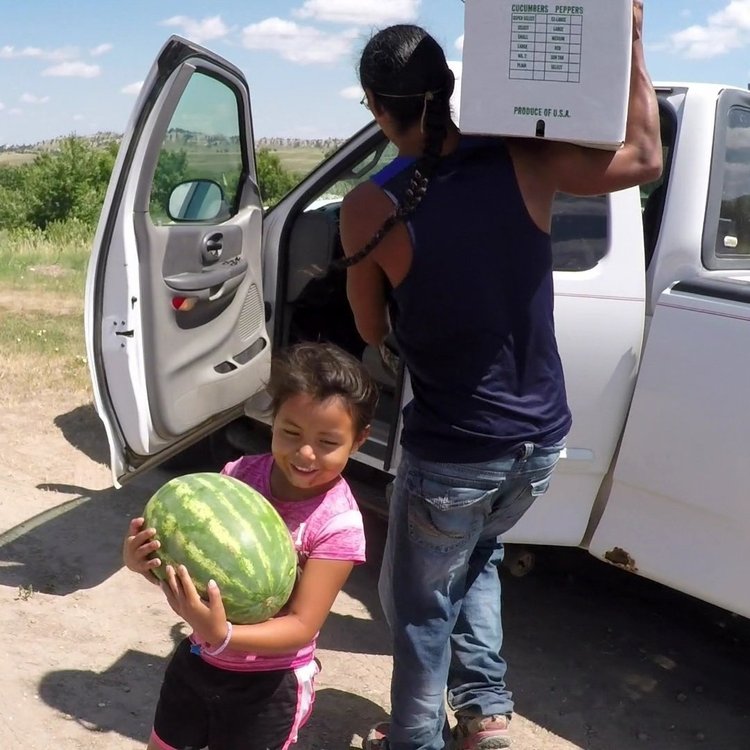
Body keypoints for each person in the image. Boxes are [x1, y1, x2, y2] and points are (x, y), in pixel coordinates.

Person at [338, 4, 661, 750]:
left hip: (452, 452)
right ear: (447, 85)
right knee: (474, 556)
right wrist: (633, 44)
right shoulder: (521, 156)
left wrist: (400, 335)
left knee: (419, 604)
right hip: (541, 447)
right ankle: (485, 715)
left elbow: (367, 329)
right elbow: (644, 158)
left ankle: (416, 740)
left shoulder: (370, 206)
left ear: (380, 110)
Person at [123, 342, 379, 750]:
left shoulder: (339, 523)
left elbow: (301, 626)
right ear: (272, 419)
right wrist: (144, 562)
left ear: (359, 440)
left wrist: (222, 633)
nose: (306, 453)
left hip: (269, 687)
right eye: (290, 432)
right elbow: (201, 573)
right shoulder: (239, 475)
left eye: (328, 442)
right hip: (198, 660)